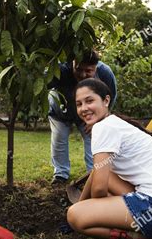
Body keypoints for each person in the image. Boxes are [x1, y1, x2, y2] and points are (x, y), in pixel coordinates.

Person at [67, 79, 152, 239]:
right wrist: (82, 202)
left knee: (75, 216)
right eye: (79, 104)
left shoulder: (103, 128)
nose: (84, 108)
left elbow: (99, 188)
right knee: (105, 177)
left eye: (89, 100)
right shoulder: (114, 123)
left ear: (106, 100)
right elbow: (98, 173)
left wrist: (87, 210)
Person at [47, 50, 117, 184]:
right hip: (60, 111)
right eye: (79, 69)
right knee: (59, 140)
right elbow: (42, 82)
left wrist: (99, 119)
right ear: (72, 63)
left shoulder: (104, 72)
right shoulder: (61, 70)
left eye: (89, 71)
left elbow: (111, 96)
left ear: (96, 67)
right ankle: (60, 175)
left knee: (93, 140)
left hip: (89, 114)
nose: (83, 74)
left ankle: (93, 174)